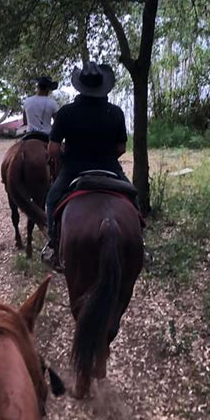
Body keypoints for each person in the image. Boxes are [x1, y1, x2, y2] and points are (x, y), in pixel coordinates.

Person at [42, 60, 132, 268]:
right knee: (132, 197)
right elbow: (121, 149)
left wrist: (66, 154)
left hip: (73, 171)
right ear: (103, 87)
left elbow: (53, 150)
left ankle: (54, 244)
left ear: (80, 86)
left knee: (51, 200)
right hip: (110, 169)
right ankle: (141, 245)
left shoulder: (66, 113)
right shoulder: (116, 112)